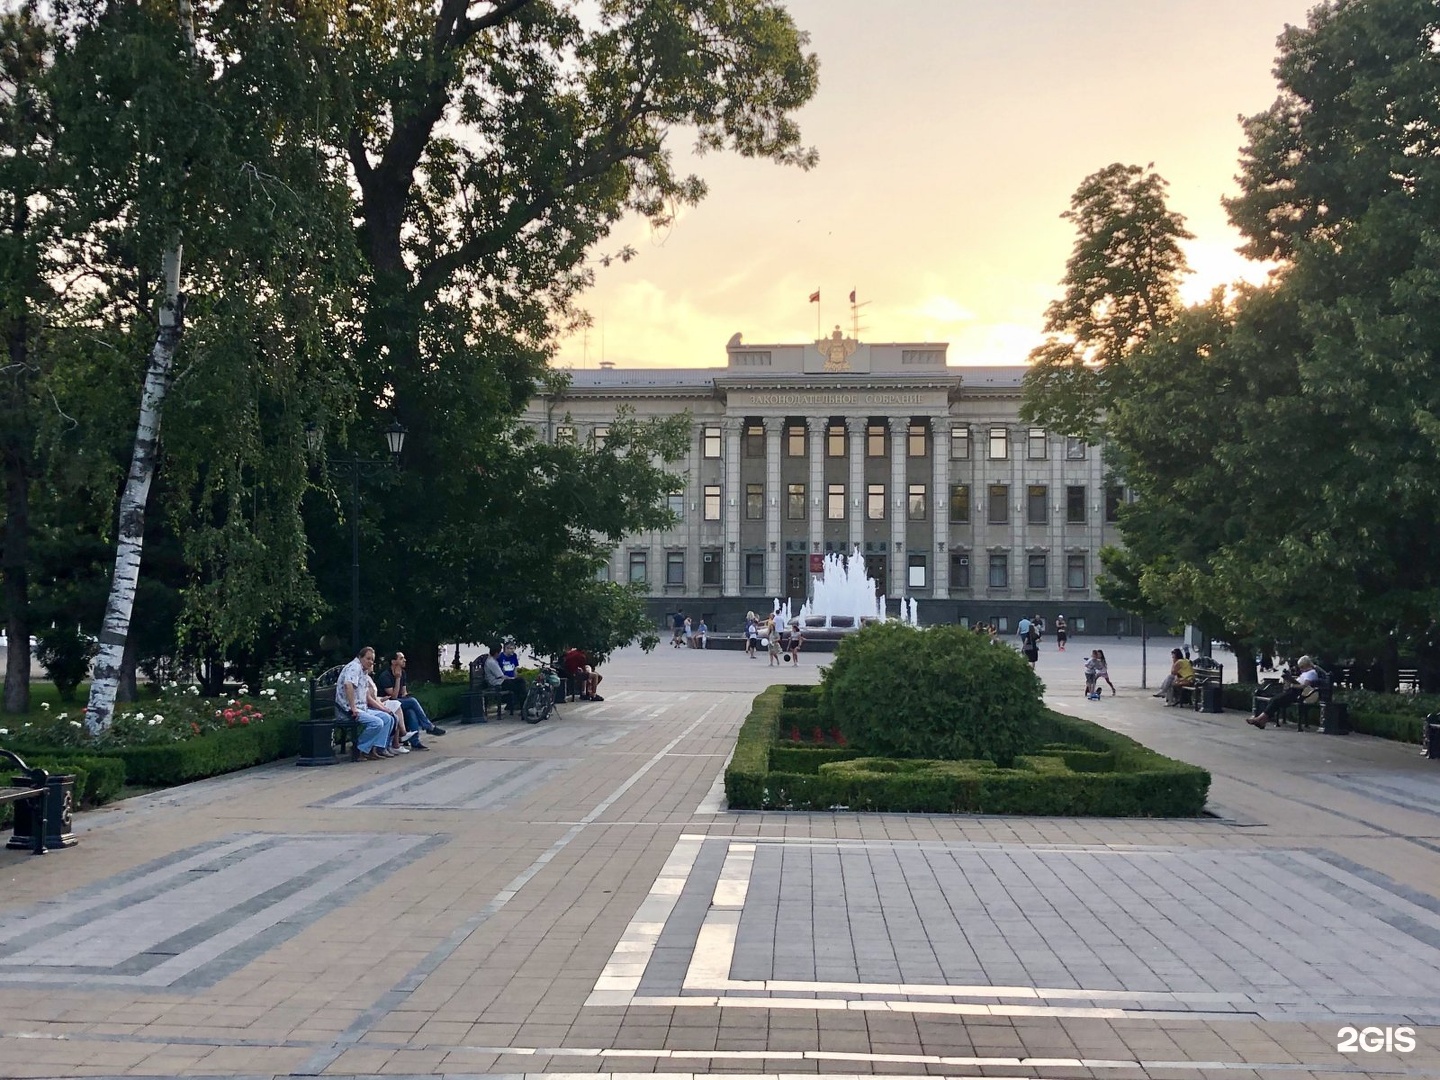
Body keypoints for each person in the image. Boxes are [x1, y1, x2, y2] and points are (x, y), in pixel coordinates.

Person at [336, 646, 396, 760]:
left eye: (372, 660)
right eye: (368, 658)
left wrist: (383, 709)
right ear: (360, 657)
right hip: (347, 710)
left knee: (387, 718)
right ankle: (359, 749)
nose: (371, 662)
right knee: (377, 723)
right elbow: (348, 685)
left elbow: (367, 696)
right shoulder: (354, 667)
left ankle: (374, 749)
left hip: (362, 707)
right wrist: (353, 708)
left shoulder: (363, 671)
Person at [377, 651, 446, 746]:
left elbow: (403, 692)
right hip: (388, 703)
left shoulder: (403, 673)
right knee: (412, 702)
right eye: (401, 658)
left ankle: (415, 742)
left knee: (411, 711)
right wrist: (397, 678)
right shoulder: (386, 676)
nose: (404, 660)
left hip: (400, 702)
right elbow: (393, 697)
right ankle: (428, 726)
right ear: (393, 662)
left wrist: (406, 695)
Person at [1247, 655, 1321, 728]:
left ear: (1307, 665)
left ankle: (1259, 719)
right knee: (1274, 700)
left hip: (1298, 694)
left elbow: (1304, 686)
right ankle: (1262, 722)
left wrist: (1291, 685)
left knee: (1275, 700)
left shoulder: (1311, 673)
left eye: (1302, 667)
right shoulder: (1306, 673)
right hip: (1294, 692)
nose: (1301, 669)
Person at [482, 644, 527, 715]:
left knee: (521, 683)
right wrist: (512, 678)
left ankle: (523, 707)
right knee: (520, 685)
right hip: (498, 683)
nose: (500, 654)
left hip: (500, 681)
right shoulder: (491, 662)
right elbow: (501, 676)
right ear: (496, 653)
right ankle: (524, 707)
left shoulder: (493, 660)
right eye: (500, 652)